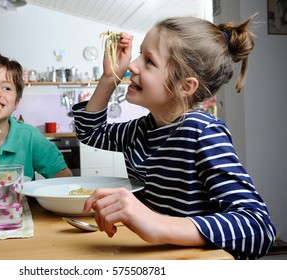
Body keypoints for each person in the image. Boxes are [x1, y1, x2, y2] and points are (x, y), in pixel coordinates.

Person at [72, 16, 276, 259]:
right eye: (139, 54)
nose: (133, 65)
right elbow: (90, 132)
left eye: (149, 61)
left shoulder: (202, 133)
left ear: (185, 86)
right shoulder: (140, 130)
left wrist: (158, 224)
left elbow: (259, 227)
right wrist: (109, 78)